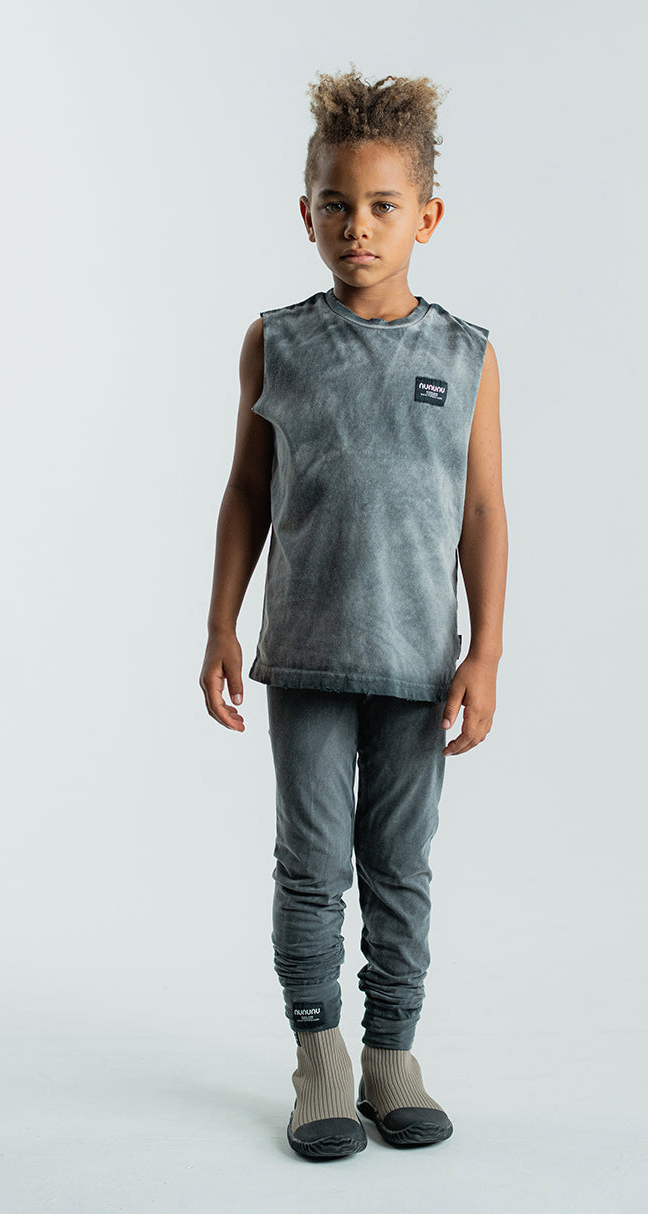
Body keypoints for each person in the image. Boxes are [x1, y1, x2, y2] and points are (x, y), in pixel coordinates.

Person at [199, 68, 507, 1160]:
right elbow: (247, 489)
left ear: (426, 215)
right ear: (307, 213)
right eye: (336, 204)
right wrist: (221, 623)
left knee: (400, 865)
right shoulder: (276, 342)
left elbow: (482, 509)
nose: (357, 226)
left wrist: (485, 652)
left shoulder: (465, 355)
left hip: (419, 664)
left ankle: (391, 1055)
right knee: (311, 865)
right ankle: (319, 1055)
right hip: (309, 657)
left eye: (382, 205)